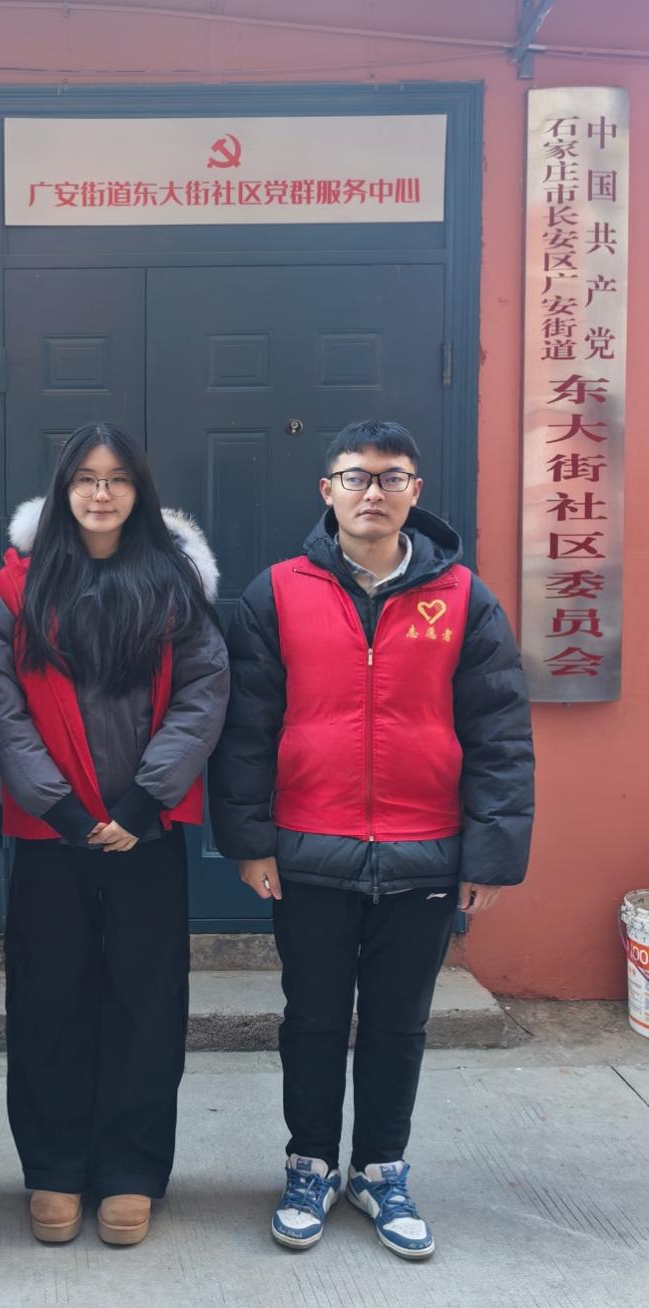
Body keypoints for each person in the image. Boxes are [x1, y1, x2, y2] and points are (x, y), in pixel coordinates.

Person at [210, 419, 534, 1260]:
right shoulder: (276, 592)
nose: (372, 492)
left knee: (398, 1024)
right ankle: (310, 1164)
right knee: (312, 1020)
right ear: (326, 491)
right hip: (309, 850)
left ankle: (380, 1169)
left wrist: (490, 855)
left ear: (414, 493)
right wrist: (249, 841)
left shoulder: (461, 597)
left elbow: (498, 734)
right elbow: (245, 730)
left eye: (391, 478)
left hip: (425, 851)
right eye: (355, 477)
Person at [0, 421, 229, 1248]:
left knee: (144, 1004)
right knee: (46, 1001)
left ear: (138, 492)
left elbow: (203, 692)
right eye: (85, 479)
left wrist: (143, 803)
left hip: (143, 835)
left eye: (117, 479)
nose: (100, 493)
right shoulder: (17, 587)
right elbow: (2, 703)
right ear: (62, 491)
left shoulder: (173, 582)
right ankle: (53, 1166)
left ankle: (129, 1168)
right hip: (49, 835)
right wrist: (58, 808)